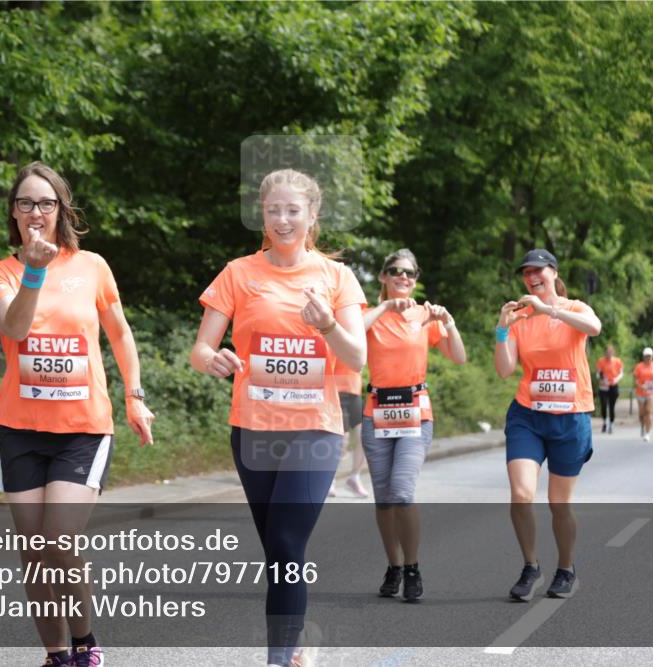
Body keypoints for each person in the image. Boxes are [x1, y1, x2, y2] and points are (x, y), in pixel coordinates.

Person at [0, 162, 155, 667]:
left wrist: (134, 395)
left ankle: (85, 642)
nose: (36, 212)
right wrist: (33, 271)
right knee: (34, 550)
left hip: (83, 429)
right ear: (14, 212)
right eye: (26, 203)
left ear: (61, 210)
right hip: (19, 430)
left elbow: (120, 333)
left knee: (59, 539)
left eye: (46, 203)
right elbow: (14, 328)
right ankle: (56, 655)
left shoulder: (92, 266)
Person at [190, 168, 366, 667]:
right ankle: (298, 638)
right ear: (261, 216)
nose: (283, 220)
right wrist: (213, 360)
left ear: (312, 214)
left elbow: (356, 357)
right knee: (278, 552)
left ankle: (279, 658)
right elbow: (201, 349)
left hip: (315, 429)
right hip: (253, 430)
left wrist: (327, 325)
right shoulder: (238, 273)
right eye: (273, 210)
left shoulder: (337, 277)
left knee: (287, 544)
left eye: (293, 210)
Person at [359, 248, 466, 602]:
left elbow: (458, 356)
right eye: (395, 271)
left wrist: (448, 322)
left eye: (410, 273)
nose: (403, 277)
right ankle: (394, 565)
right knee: (383, 500)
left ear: (416, 279)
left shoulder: (425, 315)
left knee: (402, 493)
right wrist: (387, 307)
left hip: (415, 412)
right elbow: (352, 331)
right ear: (384, 277)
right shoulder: (369, 313)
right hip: (377, 412)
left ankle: (412, 567)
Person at [494, 249, 601, 601]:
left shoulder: (575, 308)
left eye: (537, 270)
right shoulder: (521, 318)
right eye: (526, 272)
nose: (531, 277)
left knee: (559, 504)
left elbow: (595, 328)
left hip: (571, 417)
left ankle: (566, 568)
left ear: (553, 272)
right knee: (521, 494)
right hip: (528, 415)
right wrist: (502, 328)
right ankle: (531, 566)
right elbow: (505, 369)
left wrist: (549, 310)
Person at [329, 358, 370, 498]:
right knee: (343, 441)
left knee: (365, 436)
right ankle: (330, 479)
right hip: (336, 392)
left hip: (354, 392)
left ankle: (354, 477)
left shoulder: (361, 342)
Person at [596, 345, 624, 434]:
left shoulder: (617, 361)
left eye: (610, 352)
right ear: (605, 352)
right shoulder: (601, 361)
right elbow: (598, 373)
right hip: (604, 386)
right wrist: (601, 378)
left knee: (611, 406)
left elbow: (621, 373)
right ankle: (604, 422)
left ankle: (611, 424)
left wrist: (617, 379)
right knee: (604, 405)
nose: (608, 354)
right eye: (607, 352)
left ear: (613, 352)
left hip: (613, 385)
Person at [632, 348, 653, 441]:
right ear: (643, 357)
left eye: (649, 356)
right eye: (646, 356)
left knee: (648, 411)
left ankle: (648, 433)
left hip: (652, 392)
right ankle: (642, 426)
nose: (648, 358)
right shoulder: (639, 366)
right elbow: (635, 379)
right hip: (641, 392)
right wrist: (641, 386)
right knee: (641, 414)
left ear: (652, 356)